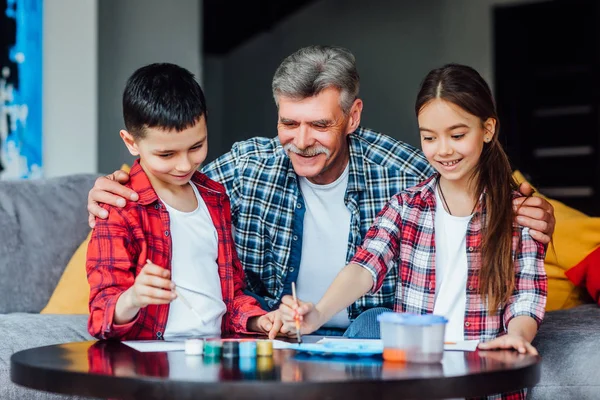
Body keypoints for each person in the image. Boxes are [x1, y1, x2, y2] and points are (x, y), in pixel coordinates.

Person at [86, 46, 555, 338]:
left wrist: (536, 207)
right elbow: (171, 174)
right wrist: (116, 182)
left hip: (370, 337)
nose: (302, 139)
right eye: (289, 123)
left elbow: (474, 173)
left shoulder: (401, 170)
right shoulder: (245, 169)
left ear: (352, 119)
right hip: (281, 334)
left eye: (320, 124)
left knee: (374, 326)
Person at [279, 65, 547, 399]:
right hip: (415, 383)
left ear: (488, 129)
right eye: (429, 137)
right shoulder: (408, 205)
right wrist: (317, 313)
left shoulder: (518, 214)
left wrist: (518, 336)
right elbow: (365, 265)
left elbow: (527, 295)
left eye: (457, 135)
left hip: (484, 382)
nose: (443, 150)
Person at [86, 63, 280, 340]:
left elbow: (230, 295)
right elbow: (100, 315)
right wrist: (132, 298)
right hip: (151, 360)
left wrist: (258, 320)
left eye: (196, 147)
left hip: (216, 354)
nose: (184, 165)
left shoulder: (214, 198)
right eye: (166, 155)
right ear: (131, 143)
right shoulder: (118, 207)